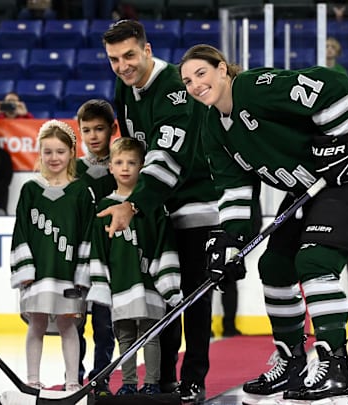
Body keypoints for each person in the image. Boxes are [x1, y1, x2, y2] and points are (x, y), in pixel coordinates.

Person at [179, 44, 348, 405]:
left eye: (202, 73)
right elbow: (235, 189)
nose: (196, 84)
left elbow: (332, 86)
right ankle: (292, 361)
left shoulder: (255, 87)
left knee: (314, 262)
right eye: (187, 81)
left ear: (222, 70)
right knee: (274, 266)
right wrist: (230, 239)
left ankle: (334, 365)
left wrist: (337, 142)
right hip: (309, 188)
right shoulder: (213, 128)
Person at [99, 19, 220, 404]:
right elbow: (132, 147)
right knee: (159, 295)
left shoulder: (174, 91)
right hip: (156, 208)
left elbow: (166, 159)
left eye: (130, 55)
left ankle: (193, 378)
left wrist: (132, 204)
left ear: (147, 51)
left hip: (194, 203)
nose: (122, 65)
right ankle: (164, 376)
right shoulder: (125, 84)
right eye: (115, 59)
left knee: (194, 296)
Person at [88, 136, 183, 396]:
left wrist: (167, 279)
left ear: (142, 166)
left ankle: (151, 383)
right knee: (126, 337)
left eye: (132, 162)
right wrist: (100, 284)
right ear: (110, 167)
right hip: (120, 283)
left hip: (150, 283)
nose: (125, 167)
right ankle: (129, 384)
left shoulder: (151, 205)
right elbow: (98, 249)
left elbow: (165, 243)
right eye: (119, 162)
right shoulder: (104, 207)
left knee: (151, 336)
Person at [9, 119, 94, 392]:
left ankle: (72, 382)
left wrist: (83, 273)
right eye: (47, 151)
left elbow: (87, 233)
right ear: (40, 153)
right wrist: (25, 271)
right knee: (36, 324)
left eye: (60, 151)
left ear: (71, 153)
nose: (54, 157)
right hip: (38, 273)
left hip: (69, 274)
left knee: (70, 327)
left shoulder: (81, 191)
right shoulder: (30, 190)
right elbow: (20, 231)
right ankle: (32, 380)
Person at [74, 98, 117, 395]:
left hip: (109, 259)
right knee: (74, 323)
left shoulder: (122, 166)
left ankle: (100, 377)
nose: (93, 136)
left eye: (99, 129)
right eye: (86, 130)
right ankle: (72, 375)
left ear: (112, 129)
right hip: (76, 259)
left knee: (104, 325)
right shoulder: (73, 168)